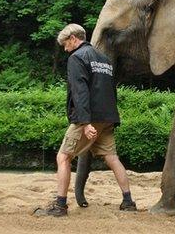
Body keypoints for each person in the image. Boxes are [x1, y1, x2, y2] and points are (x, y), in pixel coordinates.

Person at [35, 23, 136, 217]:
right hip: (107, 117)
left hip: (88, 118)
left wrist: (85, 123)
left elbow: (79, 92)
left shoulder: (77, 58)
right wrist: (110, 119)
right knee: (112, 158)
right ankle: (128, 201)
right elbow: (110, 90)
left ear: (73, 38)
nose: (65, 49)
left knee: (63, 157)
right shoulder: (104, 59)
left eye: (65, 44)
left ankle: (60, 206)